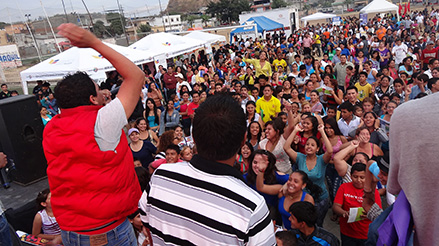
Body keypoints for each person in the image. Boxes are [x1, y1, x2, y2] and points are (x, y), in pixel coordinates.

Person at [42, 24, 143, 245]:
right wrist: (94, 43)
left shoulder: (50, 128)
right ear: (91, 99)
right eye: (99, 91)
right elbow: (135, 76)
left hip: (70, 230)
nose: (105, 94)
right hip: (108, 232)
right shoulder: (102, 122)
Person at [140, 95, 276, 245]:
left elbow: (148, 229)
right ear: (244, 139)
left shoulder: (161, 176)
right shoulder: (251, 207)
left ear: (193, 136)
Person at [284, 123, 333, 227]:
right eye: (307, 144)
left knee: (318, 225)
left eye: (312, 145)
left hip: (321, 199)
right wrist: (295, 130)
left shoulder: (322, 160)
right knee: (305, 225)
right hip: (304, 199)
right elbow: (286, 147)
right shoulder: (300, 157)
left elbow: (330, 151)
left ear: (317, 149)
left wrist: (322, 131)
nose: (309, 146)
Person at [333, 163, 381, 245]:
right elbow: (335, 206)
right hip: (347, 233)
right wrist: (344, 213)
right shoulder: (344, 187)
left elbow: (378, 213)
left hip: (366, 234)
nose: (358, 180)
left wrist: (368, 214)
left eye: (362, 177)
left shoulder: (373, 191)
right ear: (351, 176)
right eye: (355, 177)